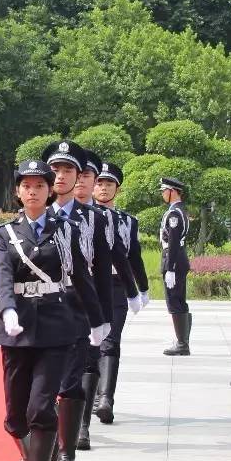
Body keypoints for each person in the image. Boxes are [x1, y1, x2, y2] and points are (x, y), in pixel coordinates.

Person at [0, 159, 99, 461]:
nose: (34, 191)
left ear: (49, 189)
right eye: (28, 185)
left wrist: (97, 321)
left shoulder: (65, 229)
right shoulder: (5, 233)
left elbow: (81, 275)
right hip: (17, 329)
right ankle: (38, 454)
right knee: (14, 418)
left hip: (55, 327)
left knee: (40, 408)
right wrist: (7, 309)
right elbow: (2, 276)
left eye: (41, 185)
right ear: (18, 191)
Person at [39, 141, 109, 461]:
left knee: (70, 384)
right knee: (42, 386)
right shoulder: (37, 216)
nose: (61, 176)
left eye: (68, 170)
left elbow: (102, 271)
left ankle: (67, 456)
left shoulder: (93, 219)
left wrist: (103, 319)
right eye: (55, 170)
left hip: (78, 310)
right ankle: (50, 437)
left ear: (79, 175)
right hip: (42, 313)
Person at [91, 160, 148, 429]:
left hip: (115, 287)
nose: (103, 188)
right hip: (88, 286)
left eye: (109, 183)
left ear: (118, 189)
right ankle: (89, 395)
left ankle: (105, 399)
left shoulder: (127, 222)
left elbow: (133, 257)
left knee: (110, 342)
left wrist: (142, 289)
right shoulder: (79, 217)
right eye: (99, 182)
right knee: (87, 345)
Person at [159, 177, 192, 356]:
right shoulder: (179, 211)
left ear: (173, 191)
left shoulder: (174, 214)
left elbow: (172, 241)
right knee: (179, 299)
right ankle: (183, 340)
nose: (163, 194)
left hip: (174, 259)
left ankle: (182, 343)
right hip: (178, 258)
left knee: (174, 300)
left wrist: (170, 267)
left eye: (165, 190)